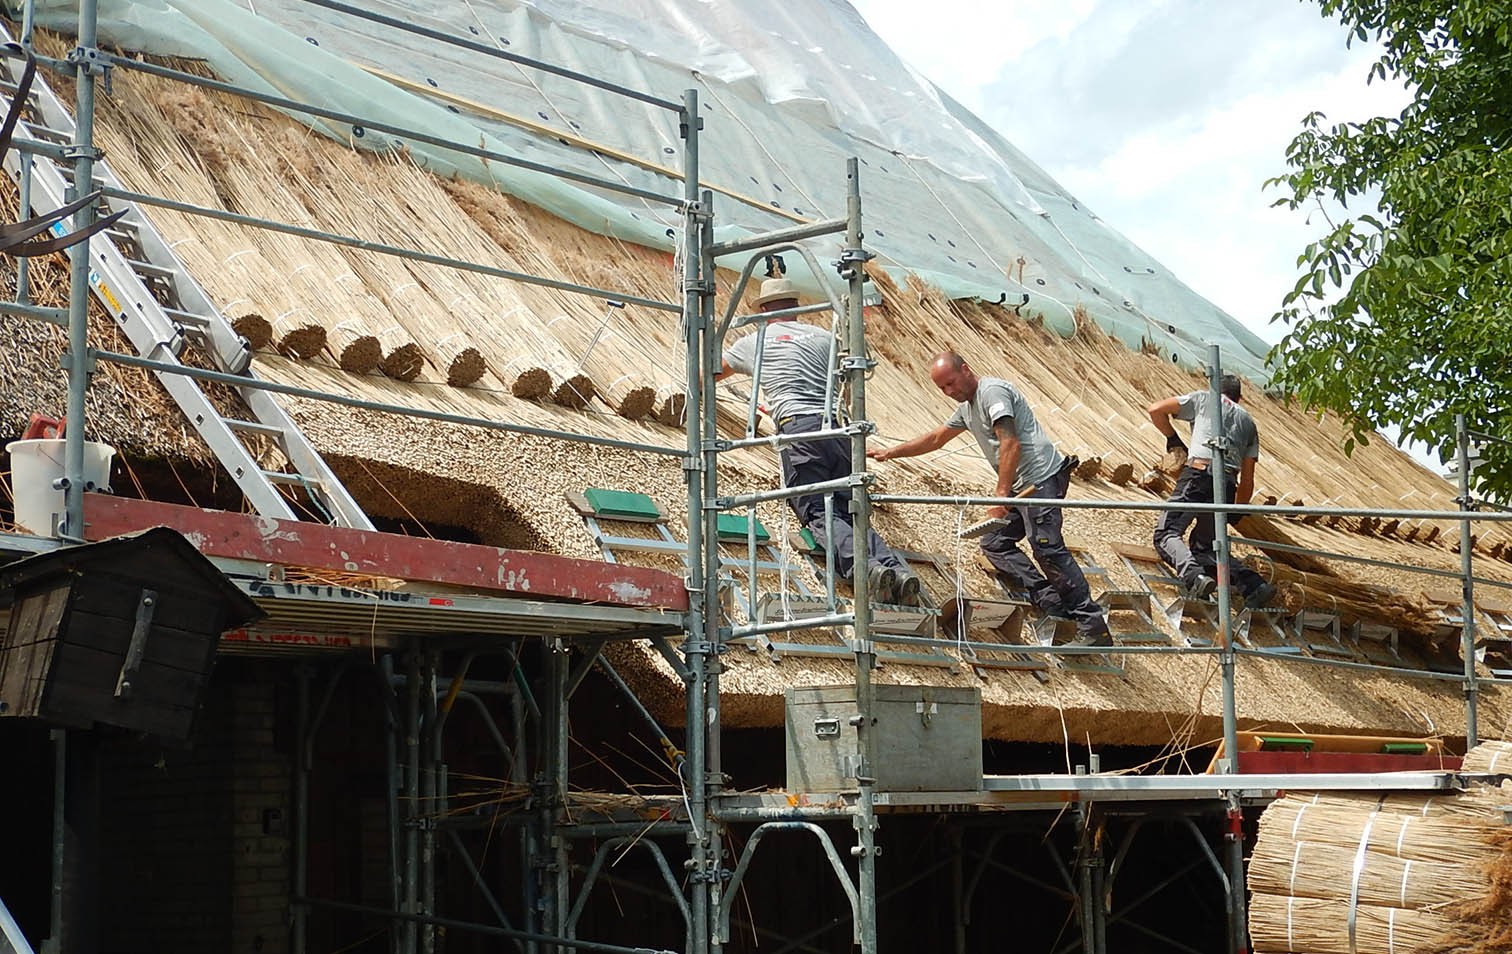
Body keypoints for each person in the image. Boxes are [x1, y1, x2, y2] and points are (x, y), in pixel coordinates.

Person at [869, 351, 1112, 646]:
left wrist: (1000, 497)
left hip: (1041, 480)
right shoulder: (967, 408)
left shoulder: (992, 392)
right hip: (1019, 485)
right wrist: (891, 452)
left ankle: (1093, 626)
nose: (949, 391)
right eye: (942, 388)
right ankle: (1050, 600)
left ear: (966, 369)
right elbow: (936, 438)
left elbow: (1010, 442)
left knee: (1047, 548)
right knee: (995, 543)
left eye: (951, 383)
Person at [717, 274, 922, 606]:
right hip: (838, 431)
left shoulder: (755, 340)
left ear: (764, 309)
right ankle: (896, 571)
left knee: (815, 510)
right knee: (848, 509)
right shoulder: (827, 338)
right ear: (796, 308)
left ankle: (866, 569)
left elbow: (708, 375)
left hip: (799, 431)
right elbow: (845, 386)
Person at [1147, 375, 1277, 606]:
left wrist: (1173, 438)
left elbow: (1156, 409)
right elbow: (1248, 479)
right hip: (1227, 484)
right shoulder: (1248, 423)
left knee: (1166, 533)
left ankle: (1194, 576)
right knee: (1206, 547)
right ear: (1240, 397)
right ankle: (1254, 585)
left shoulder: (1204, 398)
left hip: (1198, 473)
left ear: (1215, 389)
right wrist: (1238, 509)